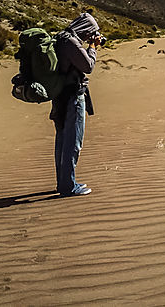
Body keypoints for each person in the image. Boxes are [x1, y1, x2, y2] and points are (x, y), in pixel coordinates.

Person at [50, 12, 101, 196]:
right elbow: (88, 66)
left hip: (60, 96)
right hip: (72, 97)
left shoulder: (60, 38)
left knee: (62, 141)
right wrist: (93, 47)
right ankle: (68, 186)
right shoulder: (71, 42)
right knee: (72, 142)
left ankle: (63, 182)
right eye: (91, 32)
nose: (91, 36)